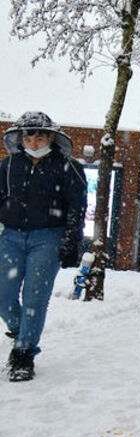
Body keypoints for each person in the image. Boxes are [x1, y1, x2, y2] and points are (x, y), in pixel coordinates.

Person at [0, 112, 87, 382]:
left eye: (40, 137)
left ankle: (24, 354)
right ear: (20, 139)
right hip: (10, 237)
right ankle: (21, 329)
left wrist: (71, 240)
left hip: (48, 238)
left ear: (51, 138)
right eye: (28, 137)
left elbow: (77, 207)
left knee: (35, 298)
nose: (34, 142)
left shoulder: (68, 167)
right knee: (3, 295)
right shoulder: (8, 166)